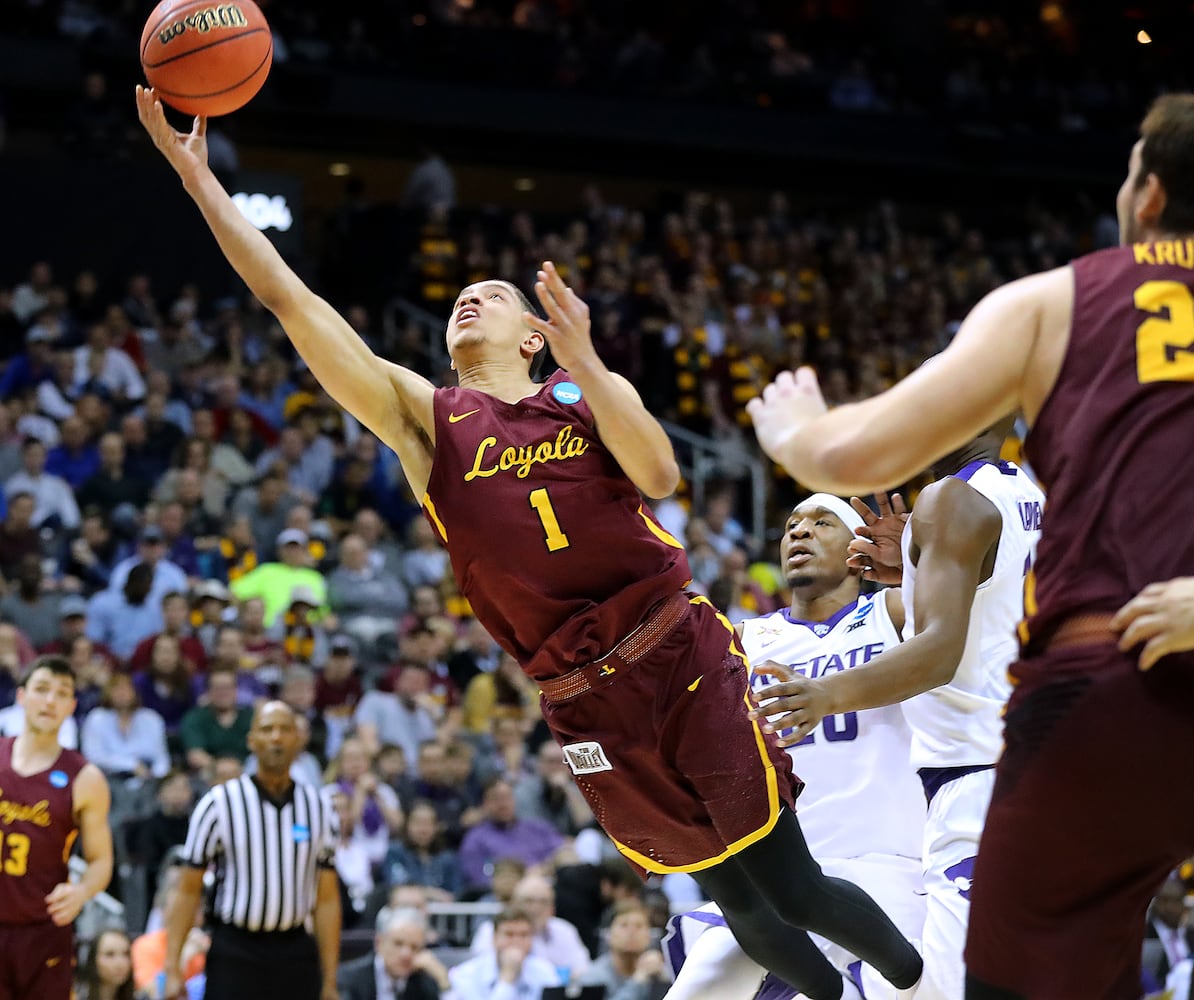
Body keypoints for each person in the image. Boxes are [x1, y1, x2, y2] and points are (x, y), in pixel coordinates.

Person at [136, 86, 923, 1000]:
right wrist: (197, 180)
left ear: (536, 336)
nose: (472, 300)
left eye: (495, 295)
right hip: (582, 696)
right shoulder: (424, 417)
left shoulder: (580, 394)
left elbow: (664, 476)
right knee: (737, 905)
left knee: (790, 884)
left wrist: (588, 361)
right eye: (462, 297)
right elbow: (286, 295)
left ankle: (923, 981)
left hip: (675, 651)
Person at [746, 90, 1194, 999]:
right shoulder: (1033, 492)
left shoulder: (1054, 310)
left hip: (1044, 744)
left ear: (1152, 197)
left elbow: (930, 625)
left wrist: (793, 431)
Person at [752, 428, 1043, 1000]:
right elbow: (991, 591)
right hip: (1013, 768)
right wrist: (917, 566)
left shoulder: (947, 502)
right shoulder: (1023, 492)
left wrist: (825, 695)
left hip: (975, 786)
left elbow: (938, 652)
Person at [667, 493, 926, 1000]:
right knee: (698, 985)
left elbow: (971, 606)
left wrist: (911, 571)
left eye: (822, 522)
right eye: (791, 526)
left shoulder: (894, 612)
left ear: (861, 551)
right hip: (784, 870)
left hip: (888, 863)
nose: (799, 533)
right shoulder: (741, 639)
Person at [160, 701, 341, 1000]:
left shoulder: (319, 808)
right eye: (267, 729)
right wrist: (173, 967)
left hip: (295, 948)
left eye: (285, 729)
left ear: (298, 739)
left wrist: (330, 979)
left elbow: (327, 899)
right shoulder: (219, 804)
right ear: (251, 740)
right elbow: (188, 890)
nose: (276, 737)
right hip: (235, 949)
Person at [0, 655, 113, 1000]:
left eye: (61, 693)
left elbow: (101, 862)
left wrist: (81, 892)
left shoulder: (86, 778)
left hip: (44, 930)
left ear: (71, 706)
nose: (50, 700)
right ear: (21, 697)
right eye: (42, 689)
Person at [446, 907, 562, 1000]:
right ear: (495, 938)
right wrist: (507, 977)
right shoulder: (466, 975)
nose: (517, 942)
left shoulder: (545, 971)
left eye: (524, 935)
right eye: (509, 934)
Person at [336, 906, 448, 1000]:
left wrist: (444, 981)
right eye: (398, 944)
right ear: (379, 943)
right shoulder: (348, 980)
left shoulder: (425, 984)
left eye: (415, 947)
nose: (406, 954)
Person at [78, 927, 137, 1000]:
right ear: (93, 959)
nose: (120, 963)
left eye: (126, 954)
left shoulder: (143, 997)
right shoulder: (75, 996)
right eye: (110, 954)